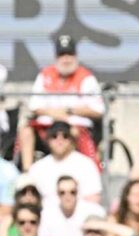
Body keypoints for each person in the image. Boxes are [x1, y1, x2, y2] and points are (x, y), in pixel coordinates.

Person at [19, 35, 103, 170]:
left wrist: (70, 111)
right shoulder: (45, 75)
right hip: (47, 126)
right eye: (62, 55)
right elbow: (34, 106)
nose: (66, 59)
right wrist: (59, 114)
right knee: (25, 130)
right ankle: (27, 174)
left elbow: (98, 110)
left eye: (69, 55)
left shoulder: (86, 78)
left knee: (71, 133)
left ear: (75, 56)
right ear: (56, 57)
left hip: (75, 127)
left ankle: (74, 172)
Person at [26, 121, 101, 208]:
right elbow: (29, 199)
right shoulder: (37, 168)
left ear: (72, 140)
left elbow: (93, 199)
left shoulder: (86, 165)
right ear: (48, 140)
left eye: (65, 136)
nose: (59, 140)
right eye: (54, 136)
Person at [38, 175, 105, 236]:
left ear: (78, 193)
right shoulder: (47, 214)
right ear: (57, 194)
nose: (67, 196)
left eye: (72, 192)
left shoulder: (94, 211)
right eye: (62, 192)